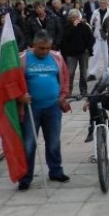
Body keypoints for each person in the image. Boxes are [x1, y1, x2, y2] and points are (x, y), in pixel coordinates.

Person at [17, 30, 70, 192]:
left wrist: (62, 96)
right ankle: (25, 177)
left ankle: (56, 171)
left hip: (53, 107)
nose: (45, 51)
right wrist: (20, 97)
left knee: (53, 141)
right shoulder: (22, 59)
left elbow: (65, 78)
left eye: (47, 48)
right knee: (29, 144)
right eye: (41, 48)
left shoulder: (57, 57)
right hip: (30, 110)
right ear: (33, 45)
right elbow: (12, 83)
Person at [61, 9, 95, 96]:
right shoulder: (67, 27)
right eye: (73, 17)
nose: (75, 19)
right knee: (70, 72)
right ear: (70, 18)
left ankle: (83, 91)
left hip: (83, 52)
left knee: (83, 72)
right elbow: (65, 38)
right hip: (71, 53)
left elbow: (91, 38)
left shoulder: (84, 26)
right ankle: (68, 91)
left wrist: (88, 48)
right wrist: (73, 27)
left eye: (76, 17)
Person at [87, 0, 109, 81]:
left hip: (106, 37)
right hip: (97, 36)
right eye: (101, 3)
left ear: (107, 4)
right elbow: (91, 22)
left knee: (106, 56)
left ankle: (107, 73)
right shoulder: (95, 12)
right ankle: (92, 73)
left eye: (104, 3)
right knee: (95, 54)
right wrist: (93, 24)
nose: (102, 4)